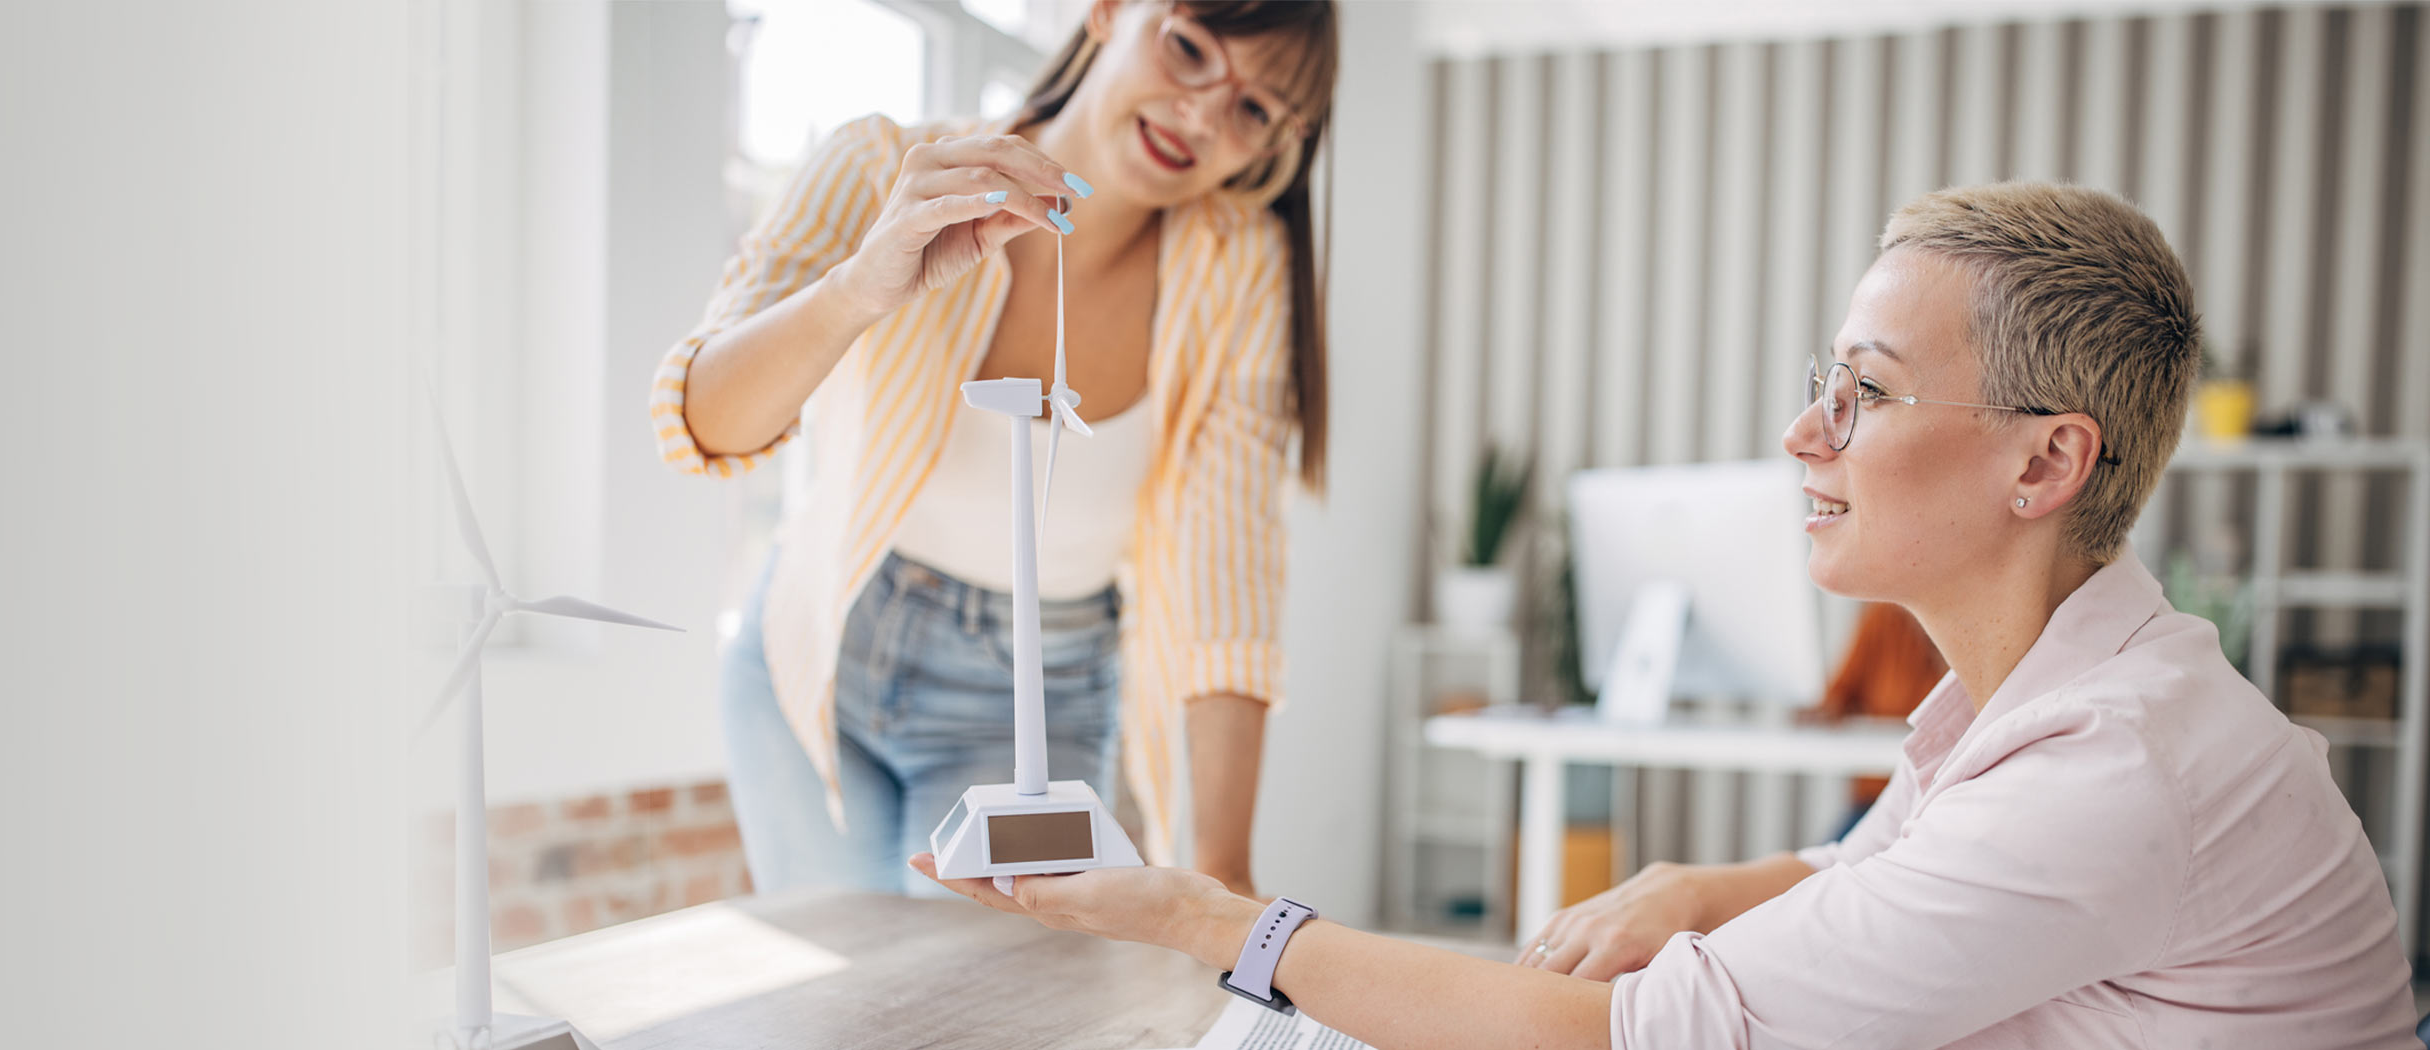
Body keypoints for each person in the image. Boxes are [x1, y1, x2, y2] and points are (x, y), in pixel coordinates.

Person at [917, 183, 2424, 1048]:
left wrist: (1196, 913)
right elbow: (1866, 866)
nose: (1802, 430)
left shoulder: (2106, 773)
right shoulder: (2057, 693)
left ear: (2047, 459)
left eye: (1867, 389)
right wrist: (1701, 884)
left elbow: (1617, 1044)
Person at [649, 0, 1339, 899]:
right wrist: (860, 287)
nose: (1205, 113)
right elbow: (704, 427)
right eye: (1189, 48)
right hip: (822, 651)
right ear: (1109, 12)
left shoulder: (1240, 269)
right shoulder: (880, 168)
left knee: (980, 1019)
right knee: (839, 1021)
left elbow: (1230, 563)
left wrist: (1224, 870)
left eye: (1253, 110)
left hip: (1031, 708)